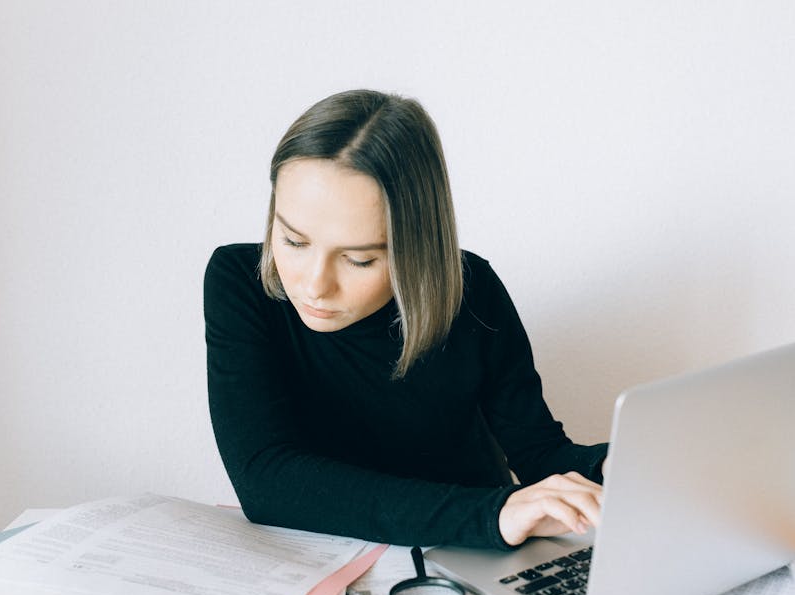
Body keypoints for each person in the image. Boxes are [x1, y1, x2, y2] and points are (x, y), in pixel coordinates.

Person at [204, 89, 607, 550]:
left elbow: (541, 454)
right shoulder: (239, 282)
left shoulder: (471, 290)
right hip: (337, 563)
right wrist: (493, 513)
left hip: (466, 555)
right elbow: (267, 481)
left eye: (358, 260)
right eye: (294, 242)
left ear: (414, 245)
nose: (315, 285)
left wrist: (616, 467)